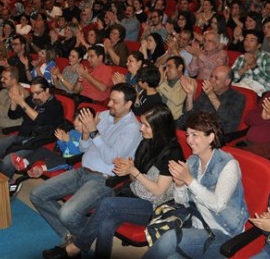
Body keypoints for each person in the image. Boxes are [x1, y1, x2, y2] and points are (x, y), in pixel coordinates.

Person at [42, 104, 184, 259]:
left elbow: (158, 191)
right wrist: (128, 171)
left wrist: (133, 171)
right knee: (106, 223)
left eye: (146, 125)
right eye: (142, 123)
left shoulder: (172, 152)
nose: (141, 128)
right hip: (135, 194)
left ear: (160, 128)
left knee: (107, 203)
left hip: (156, 206)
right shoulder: (147, 142)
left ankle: (75, 247)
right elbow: (135, 178)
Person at [31, 83, 142, 249]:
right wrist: (85, 134)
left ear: (128, 104)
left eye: (115, 101)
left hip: (103, 180)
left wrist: (93, 132)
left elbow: (110, 158)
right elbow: (83, 148)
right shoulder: (103, 116)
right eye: (110, 99)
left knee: (67, 213)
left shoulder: (133, 129)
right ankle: (72, 235)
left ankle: (82, 237)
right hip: (82, 171)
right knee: (37, 195)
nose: (109, 104)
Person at [142, 112, 249, 259]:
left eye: (194, 135)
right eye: (187, 135)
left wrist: (190, 180)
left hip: (223, 233)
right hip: (197, 226)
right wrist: (179, 185)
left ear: (211, 137)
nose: (189, 140)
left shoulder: (228, 165)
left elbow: (218, 205)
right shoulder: (192, 161)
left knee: (170, 238)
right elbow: (182, 203)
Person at [0, 77, 64, 185]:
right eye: (32, 92)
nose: (34, 96)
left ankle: (3, 183)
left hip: (35, 142)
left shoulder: (55, 106)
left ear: (47, 90)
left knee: (7, 162)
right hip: (20, 136)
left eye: (37, 93)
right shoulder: (32, 99)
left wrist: (21, 102)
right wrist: (14, 101)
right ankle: (6, 180)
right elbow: (13, 115)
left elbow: (40, 120)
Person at [10, 106, 95, 178]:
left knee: (60, 161)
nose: (75, 122)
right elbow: (65, 150)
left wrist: (67, 140)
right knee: (43, 150)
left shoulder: (89, 138)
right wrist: (61, 141)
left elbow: (77, 155)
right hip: (64, 156)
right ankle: (24, 163)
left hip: (71, 163)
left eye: (79, 120)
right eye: (75, 119)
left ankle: (40, 169)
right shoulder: (72, 132)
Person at [180, 65, 246, 134]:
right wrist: (190, 95)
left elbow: (227, 118)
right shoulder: (206, 92)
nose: (211, 80)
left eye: (216, 78)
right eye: (211, 76)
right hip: (196, 128)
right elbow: (189, 115)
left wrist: (211, 95)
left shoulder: (238, 97)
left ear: (227, 82)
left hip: (216, 134)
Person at [231, 29, 270, 96]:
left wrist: (254, 66)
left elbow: (268, 83)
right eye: (246, 39)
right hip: (241, 87)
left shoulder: (266, 57)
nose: (247, 43)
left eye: (251, 40)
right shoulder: (241, 58)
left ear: (259, 45)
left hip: (258, 92)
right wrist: (242, 71)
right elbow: (230, 79)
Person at [157, 55, 187, 127]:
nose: (166, 70)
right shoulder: (165, 81)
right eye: (165, 68)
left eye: (169, 67)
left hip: (174, 122)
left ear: (180, 67)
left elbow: (177, 100)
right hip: (159, 117)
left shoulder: (187, 82)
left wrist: (161, 83)